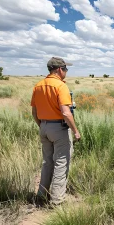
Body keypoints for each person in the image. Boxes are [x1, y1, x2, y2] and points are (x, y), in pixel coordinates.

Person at [30, 57, 81, 206]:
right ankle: (57, 200)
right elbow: (66, 113)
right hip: (59, 129)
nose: (66, 72)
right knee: (61, 162)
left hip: (44, 127)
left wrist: (42, 126)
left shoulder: (38, 86)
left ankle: (42, 194)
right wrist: (75, 131)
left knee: (47, 162)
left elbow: (34, 112)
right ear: (59, 69)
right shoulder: (61, 86)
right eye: (65, 69)